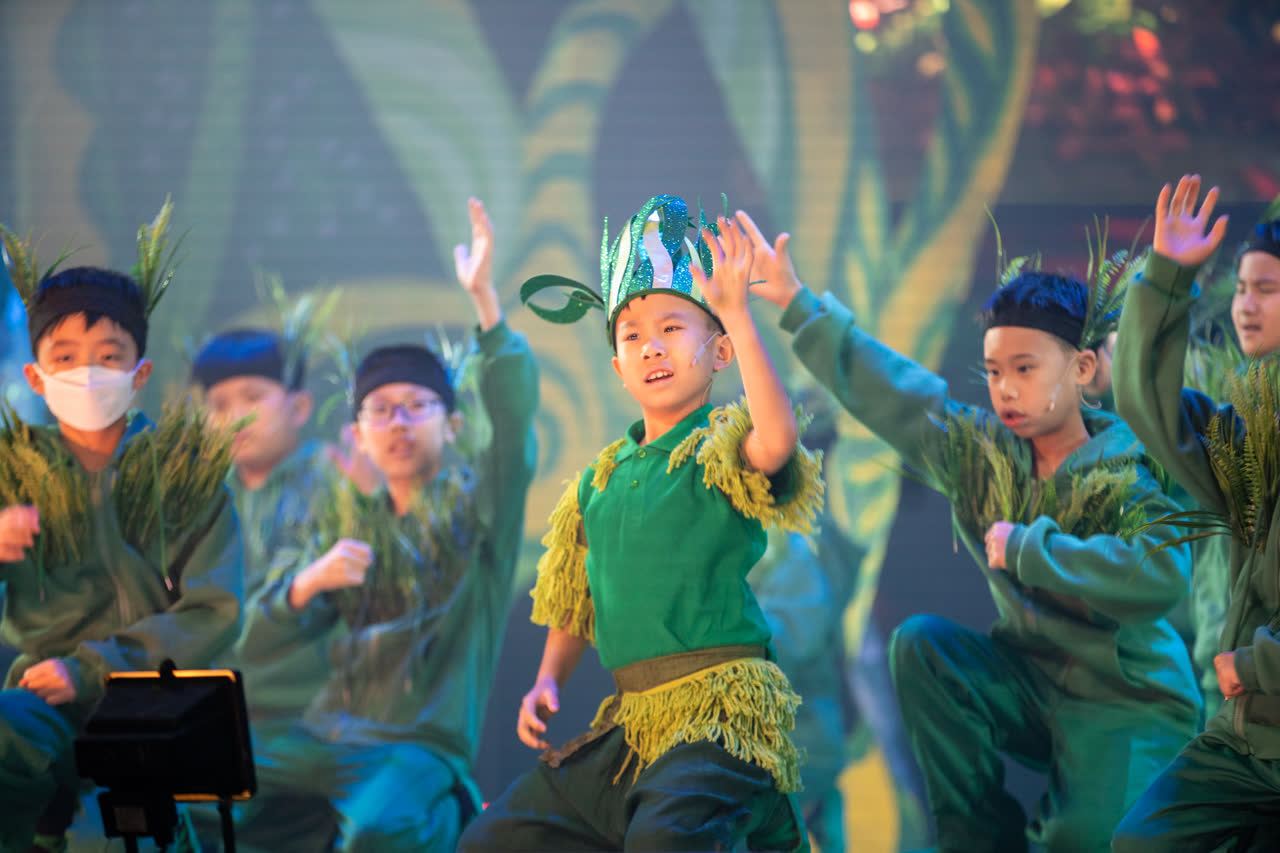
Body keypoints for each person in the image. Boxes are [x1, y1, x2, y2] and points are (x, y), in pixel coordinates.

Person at [739, 209, 1200, 852]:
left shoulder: (1125, 466)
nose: (1005, 389)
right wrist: (796, 302)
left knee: (1082, 842)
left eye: (1025, 369)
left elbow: (1160, 577)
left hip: (1129, 701)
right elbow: (897, 396)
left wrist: (1032, 550)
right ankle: (976, 841)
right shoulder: (983, 452)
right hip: (1031, 686)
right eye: (994, 371)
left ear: (1082, 370)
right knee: (923, 646)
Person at [457, 195, 824, 852]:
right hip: (633, 724)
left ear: (720, 352)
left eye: (672, 327)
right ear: (618, 369)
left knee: (663, 839)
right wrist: (548, 678)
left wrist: (739, 313)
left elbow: (777, 441)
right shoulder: (598, 482)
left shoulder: (718, 448)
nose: (650, 345)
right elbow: (577, 598)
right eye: (631, 335)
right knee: (494, 840)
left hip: (718, 716)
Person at [235, 197, 539, 852]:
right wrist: (306, 584)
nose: (397, 422)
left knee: (380, 827)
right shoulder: (349, 526)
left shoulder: (478, 513)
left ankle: (449, 815)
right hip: (326, 735)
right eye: (380, 410)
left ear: (452, 425)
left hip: (417, 743)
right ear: (358, 433)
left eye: (415, 406)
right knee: (201, 781)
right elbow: (253, 640)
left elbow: (514, 429)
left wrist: (485, 302)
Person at [0, 204, 244, 852]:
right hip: (39, 702)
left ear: (140, 375)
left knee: (131, 829)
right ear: (36, 377)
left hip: (155, 702)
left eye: (109, 357)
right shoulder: (10, 475)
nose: (87, 373)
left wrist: (92, 668)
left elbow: (215, 609)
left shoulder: (187, 477)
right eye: (66, 357)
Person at [1111, 176, 1280, 850]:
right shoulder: (1250, 431)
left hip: (1257, 696)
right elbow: (1146, 404)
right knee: (1141, 841)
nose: (1246, 305)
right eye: (1240, 288)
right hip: (1244, 739)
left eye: (1267, 289)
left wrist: (1256, 664)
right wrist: (1167, 276)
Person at [186, 287, 342, 851]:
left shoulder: (335, 481)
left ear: (299, 407)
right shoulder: (197, 499)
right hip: (216, 715)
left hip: (313, 717)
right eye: (218, 404)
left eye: (253, 396)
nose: (235, 416)